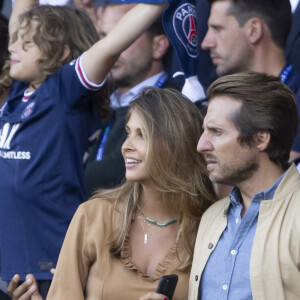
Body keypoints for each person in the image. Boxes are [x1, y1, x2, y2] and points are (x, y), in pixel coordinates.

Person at [0, 0, 167, 298]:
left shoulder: (63, 89)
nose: (13, 49)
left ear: (59, 53)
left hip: (49, 266)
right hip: (9, 267)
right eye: (16, 42)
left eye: (26, 44)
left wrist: (158, 4)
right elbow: (22, 12)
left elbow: (110, 46)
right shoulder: (17, 90)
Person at [44, 87, 216, 300]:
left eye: (142, 135)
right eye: (128, 133)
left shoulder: (210, 225)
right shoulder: (94, 215)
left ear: (175, 144)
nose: (126, 146)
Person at [188, 71, 300, 300]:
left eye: (216, 132)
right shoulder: (211, 217)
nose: (201, 145)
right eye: (204, 131)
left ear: (260, 139)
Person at [78, 1, 175, 195]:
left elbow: (116, 173)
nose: (111, 48)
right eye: (104, 37)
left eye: (124, 36)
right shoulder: (94, 99)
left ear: (159, 45)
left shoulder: (176, 104)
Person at [201, 0, 300, 161]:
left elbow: (283, 176)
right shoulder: (216, 101)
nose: (206, 43)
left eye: (217, 29)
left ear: (254, 30)